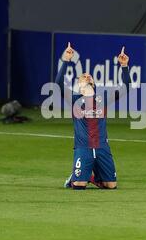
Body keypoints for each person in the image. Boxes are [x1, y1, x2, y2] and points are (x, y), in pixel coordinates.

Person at [56, 43, 131, 190]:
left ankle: (92, 177)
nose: (86, 75)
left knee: (111, 186)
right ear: (79, 85)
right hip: (83, 148)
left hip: (102, 147)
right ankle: (76, 178)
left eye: (88, 76)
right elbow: (58, 83)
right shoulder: (74, 99)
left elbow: (126, 87)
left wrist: (124, 66)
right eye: (83, 76)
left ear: (93, 83)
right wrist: (65, 60)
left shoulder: (103, 97)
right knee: (78, 186)